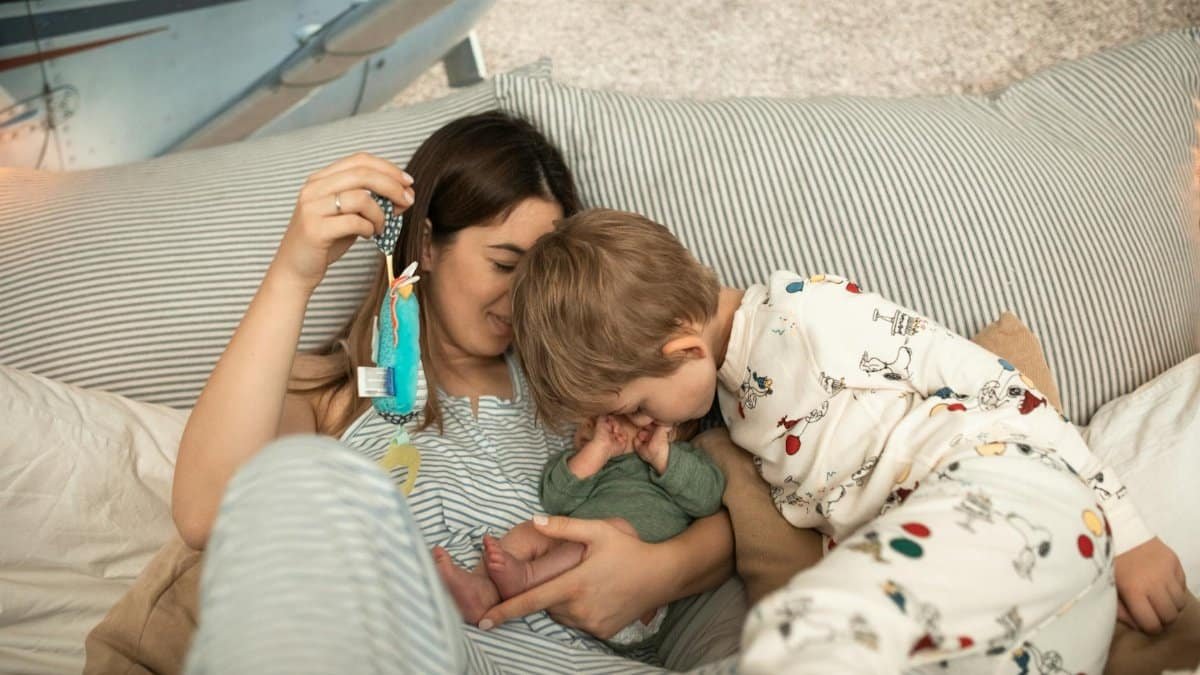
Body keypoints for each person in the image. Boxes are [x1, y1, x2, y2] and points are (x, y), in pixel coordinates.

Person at [171, 114, 746, 674]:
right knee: (309, 475)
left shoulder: (596, 394)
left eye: (543, 280)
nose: (525, 301)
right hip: (421, 655)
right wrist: (293, 274)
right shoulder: (330, 396)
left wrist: (660, 571)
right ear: (428, 242)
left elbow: (735, 505)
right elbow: (207, 516)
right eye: (504, 263)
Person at [510, 208, 1190, 674]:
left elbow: (992, 383)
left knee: (825, 618)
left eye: (636, 404)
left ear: (685, 348)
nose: (639, 424)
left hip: (998, 485)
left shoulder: (806, 316)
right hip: (1025, 602)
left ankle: (804, 636)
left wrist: (1126, 529)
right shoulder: (728, 393)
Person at [433, 413, 725, 650]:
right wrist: (596, 452)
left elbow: (707, 499)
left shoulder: (684, 460)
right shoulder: (599, 464)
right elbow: (555, 498)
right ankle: (479, 589)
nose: (596, 424)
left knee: (613, 530)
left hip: (634, 599)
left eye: (612, 418)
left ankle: (527, 577)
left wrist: (663, 456)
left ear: (663, 428)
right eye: (593, 420)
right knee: (535, 529)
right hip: (571, 570)